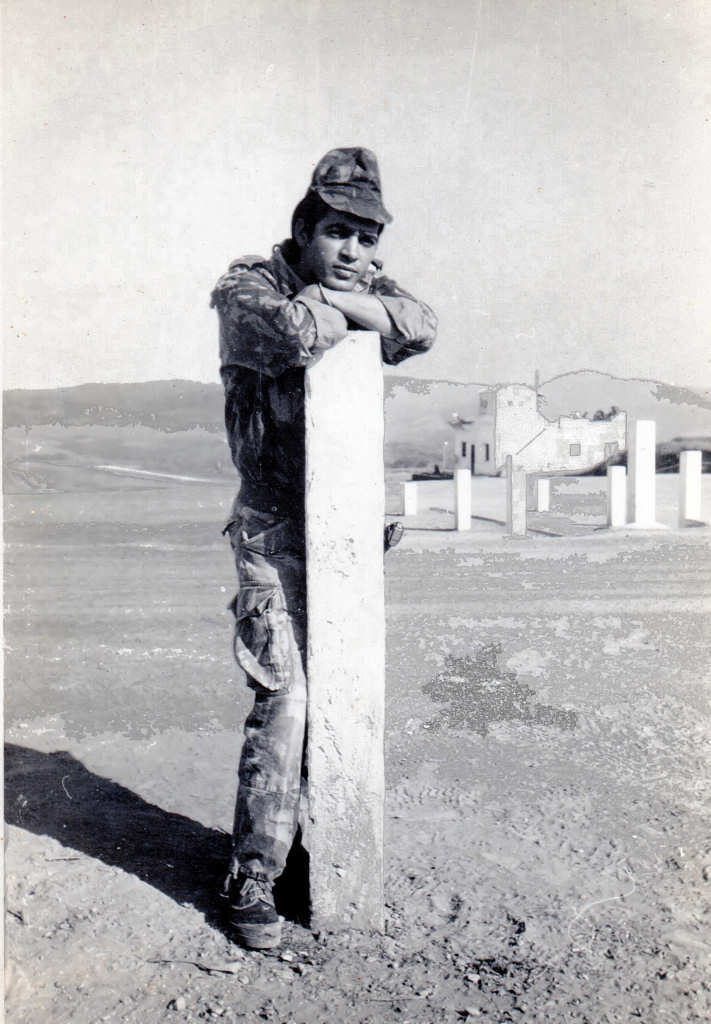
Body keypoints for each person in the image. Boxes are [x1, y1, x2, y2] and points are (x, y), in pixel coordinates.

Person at [210, 147, 437, 949]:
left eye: (367, 240)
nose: (353, 252)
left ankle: (320, 845)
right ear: (303, 228)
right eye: (337, 233)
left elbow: (420, 325)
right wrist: (344, 305)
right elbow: (297, 331)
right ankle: (253, 872)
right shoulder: (246, 286)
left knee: (341, 699)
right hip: (273, 532)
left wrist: (342, 298)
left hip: (342, 531)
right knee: (287, 700)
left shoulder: (350, 281)